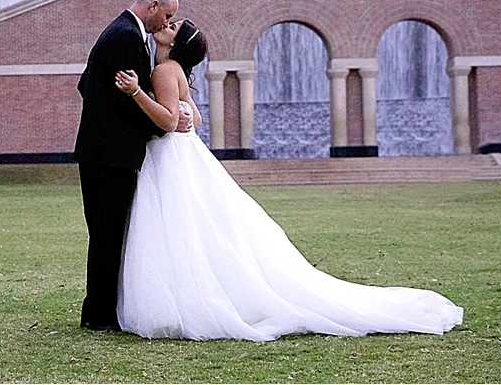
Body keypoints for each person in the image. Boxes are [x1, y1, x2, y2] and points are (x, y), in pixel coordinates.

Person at [114, 20, 463, 342]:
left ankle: (181, 301)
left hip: (172, 160)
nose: (165, 25)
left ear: (176, 43)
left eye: (172, 26)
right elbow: (195, 118)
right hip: (184, 157)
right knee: (193, 230)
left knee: (177, 228)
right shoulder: (173, 70)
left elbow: (167, 120)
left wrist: (135, 93)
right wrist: (186, 115)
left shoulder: (163, 70)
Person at [73, 0, 192, 332]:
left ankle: (98, 310)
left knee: (105, 233)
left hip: (102, 151)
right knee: (108, 234)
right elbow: (121, 98)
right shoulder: (126, 36)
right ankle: (99, 316)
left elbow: (86, 84)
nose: (167, 22)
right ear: (153, 6)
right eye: (167, 14)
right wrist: (162, 126)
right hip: (111, 155)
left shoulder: (124, 31)